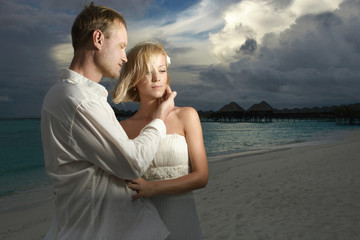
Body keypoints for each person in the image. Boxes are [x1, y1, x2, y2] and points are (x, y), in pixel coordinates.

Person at [41, 3, 176, 240]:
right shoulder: (79, 101)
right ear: (98, 39)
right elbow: (132, 163)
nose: (125, 57)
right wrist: (159, 118)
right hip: (99, 230)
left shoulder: (74, 95)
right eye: (122, 46)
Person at [112, 42, 209, 240]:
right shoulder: (123, 128)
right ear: (134, 79)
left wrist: (152, 187)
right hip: (142, 222)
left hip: (183, 220)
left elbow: (201, 177)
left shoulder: (187, 116)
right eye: (148, 72)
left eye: (162, 70)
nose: (157, 78)